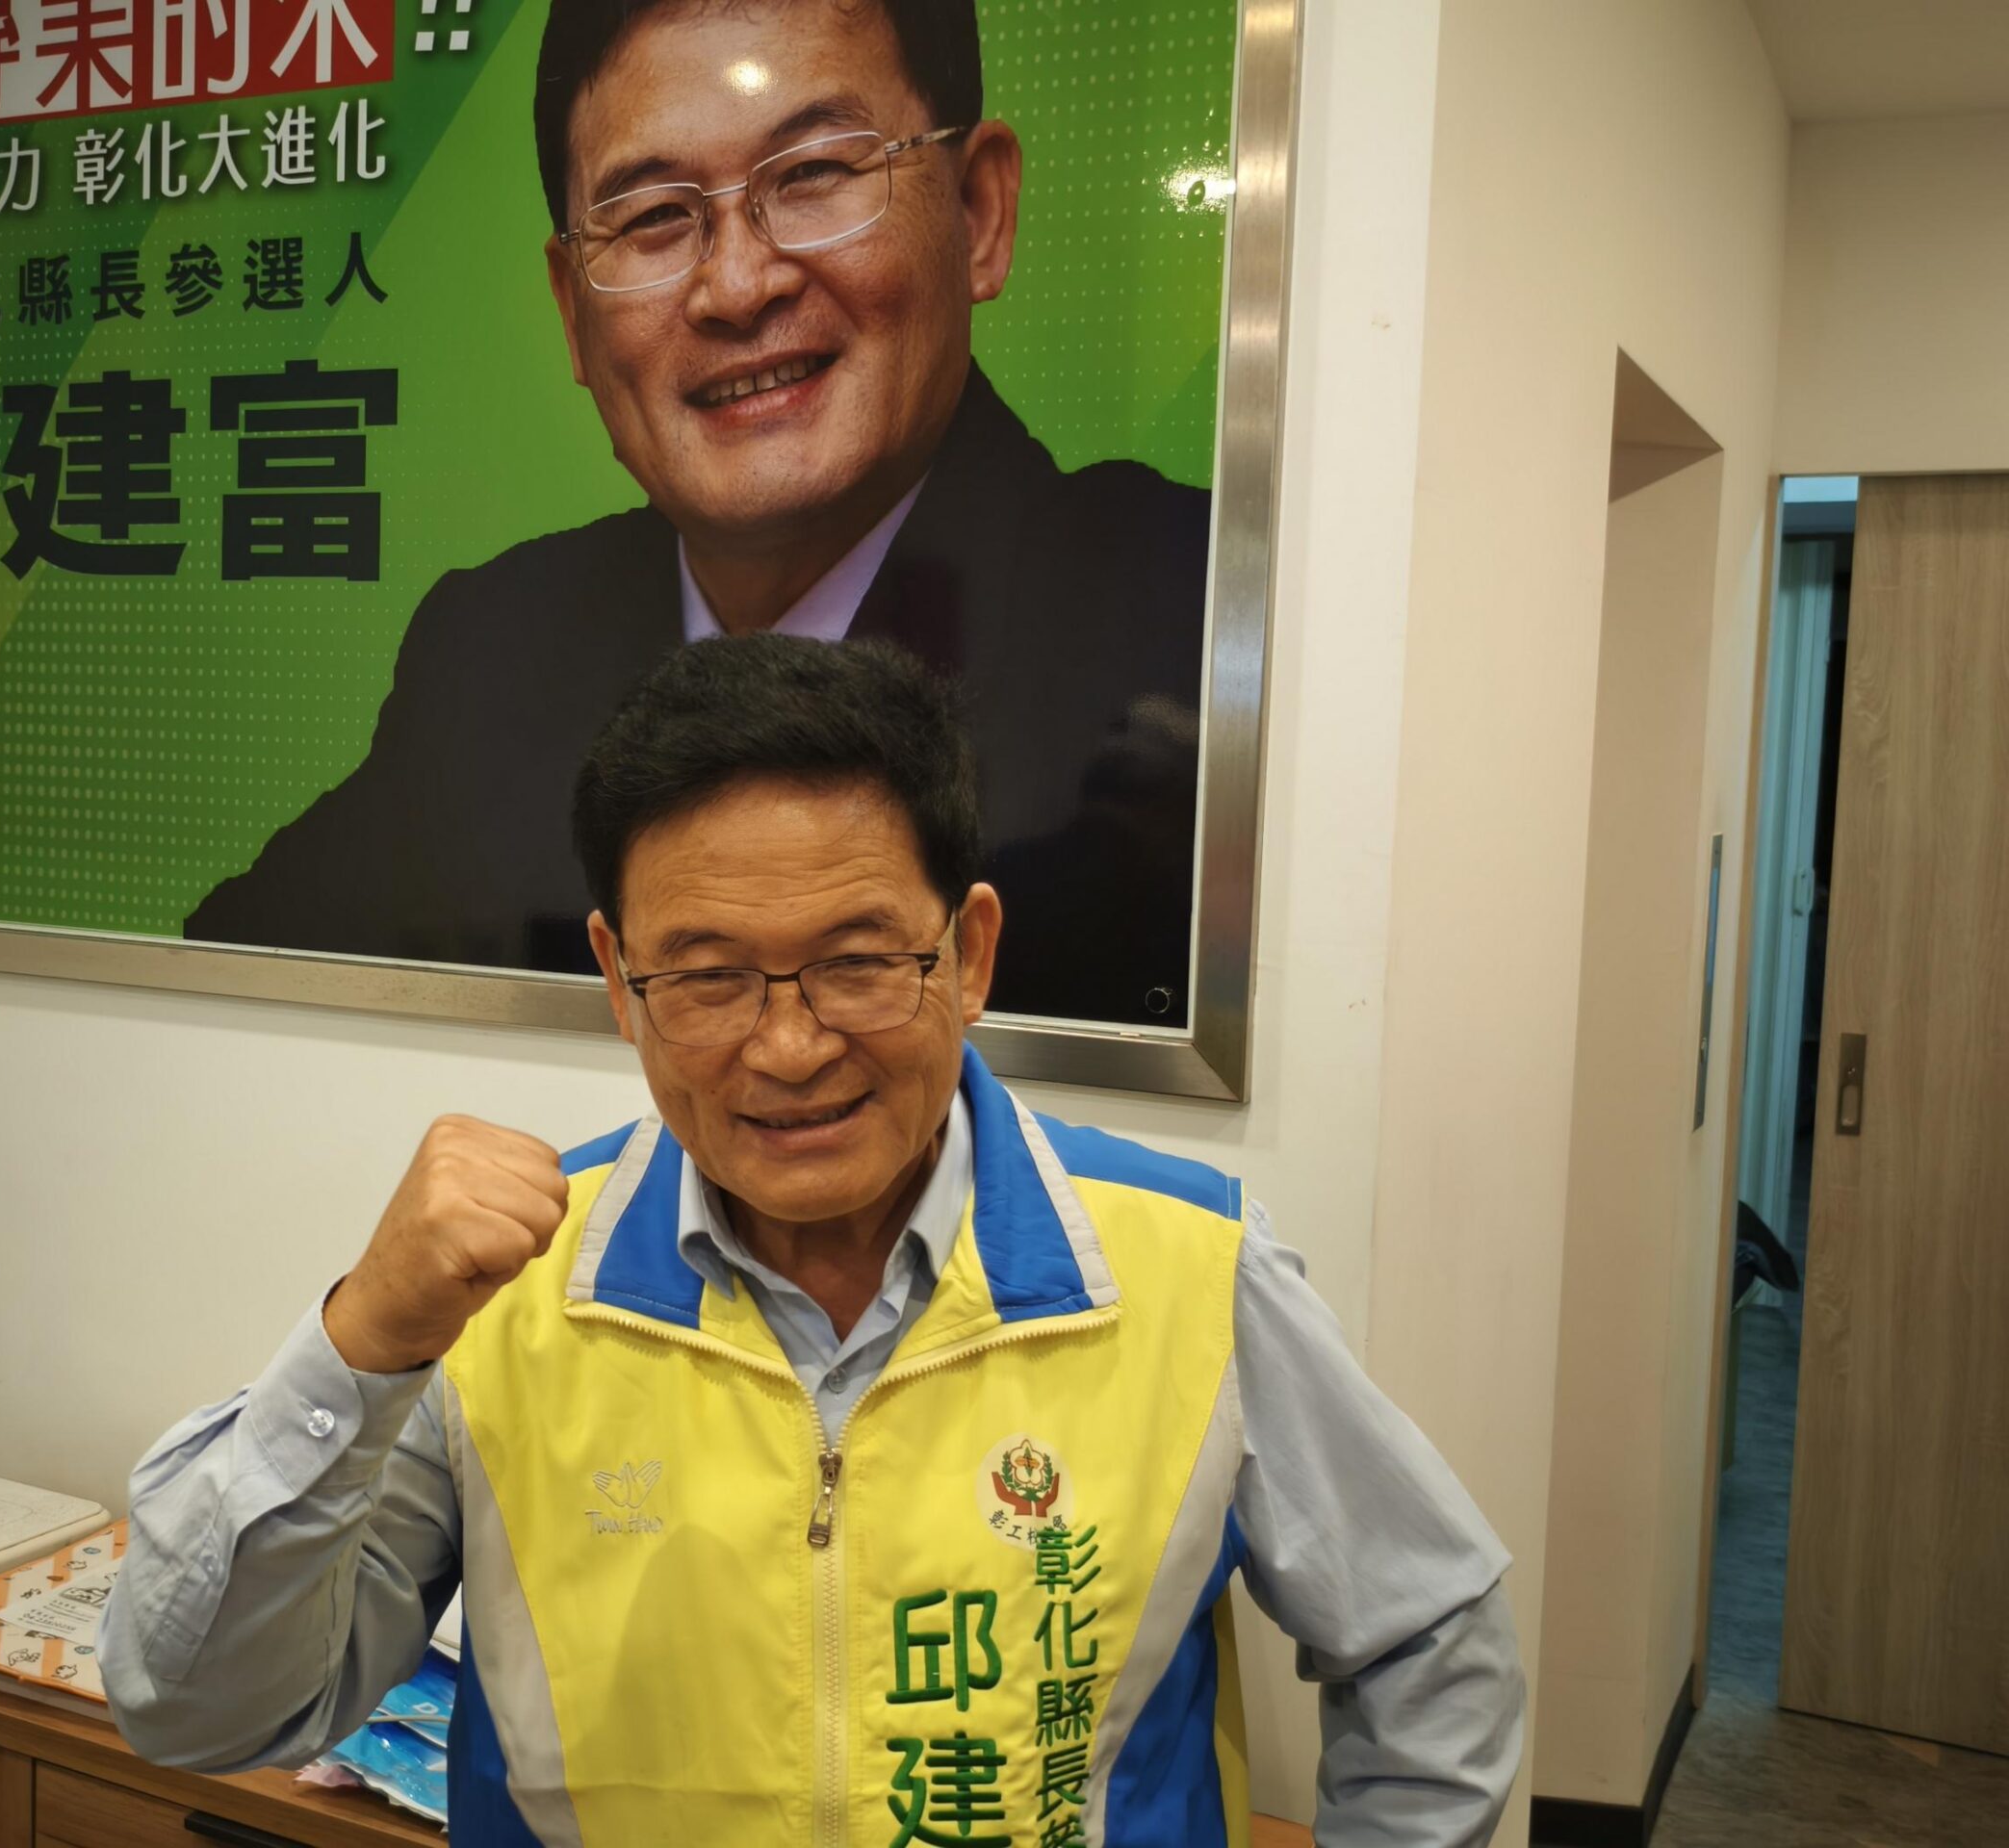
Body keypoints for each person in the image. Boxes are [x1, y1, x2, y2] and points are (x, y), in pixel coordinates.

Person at [107, 637, 1526, 1846]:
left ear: (969, 954)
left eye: (856, 962)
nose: (788, 1048)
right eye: (708, 976)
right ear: (618, 980)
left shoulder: (1186, 1264)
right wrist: (362, 1341)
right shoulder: (501, 1299)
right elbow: (194, 1713)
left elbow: (1427, 1634)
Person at [183, 0, 1211, 1030]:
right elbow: (231, 991)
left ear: (979, 213)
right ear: (571, 312)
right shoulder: (492, 642)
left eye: (812, 173)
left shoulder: (1197, 620)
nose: (737, 286)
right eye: (652, 218)